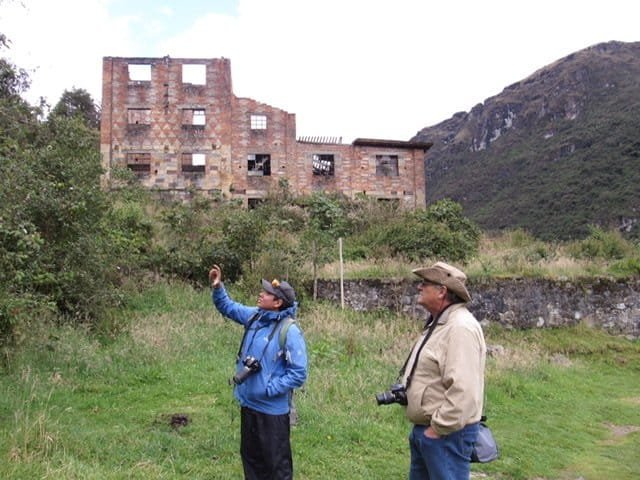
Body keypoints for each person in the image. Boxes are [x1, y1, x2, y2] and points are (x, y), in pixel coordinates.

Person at [208, 265, 308, 480]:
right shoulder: (255, 317)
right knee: (251, 462)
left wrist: (268, 389)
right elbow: (228, 307)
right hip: (248, 406)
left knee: (276, 468)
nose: (261, 294)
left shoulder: (289, 331)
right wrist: (218, 287)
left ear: (278, 302)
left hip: (272, 413)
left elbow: (298, 373)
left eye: (266, 293)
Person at [401, 261, 486, 480]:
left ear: (442, 291)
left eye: (425, 283)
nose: (419, 287)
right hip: (430, 432)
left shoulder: (460, 328)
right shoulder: (442, 323)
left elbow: (464, 391)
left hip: (446, 435)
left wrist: (437, 429)